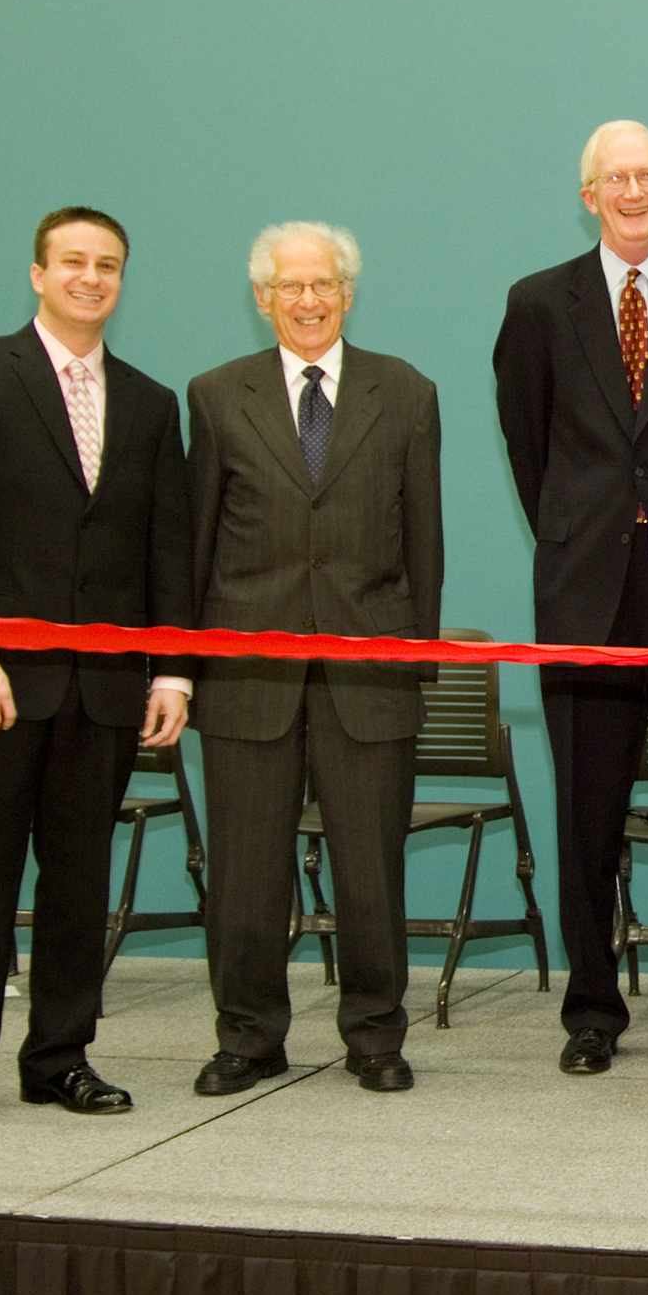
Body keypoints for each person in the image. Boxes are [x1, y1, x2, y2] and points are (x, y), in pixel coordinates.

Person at [0, 207, 194, 1134]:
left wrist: (173, 672)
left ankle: (59, 1058)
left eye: (107, 265)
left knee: (78, 884)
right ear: (37, 273)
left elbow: (168, 549)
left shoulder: (149, 403)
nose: (91, 278)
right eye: (73, 262)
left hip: (104, 693)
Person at [494, 120, 648, 1078]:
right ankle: (591, 1009)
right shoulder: (537, 305)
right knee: (586, 816)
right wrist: (579, 531)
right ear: (589, 195)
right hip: (582, 599)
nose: (632, 191)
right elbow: (530, 443)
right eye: (614, 178)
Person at [188, 222, 443, 1096]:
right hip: (246, 677)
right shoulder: (217, 396)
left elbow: (425, 544)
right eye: (289, 287)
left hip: (369, 678)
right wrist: (182, 667)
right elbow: (193, 543)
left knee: (372, 869)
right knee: (246, 875)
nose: (307, 300)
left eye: (323, 284)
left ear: (347, 292)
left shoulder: (405, 392)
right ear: (263, 299)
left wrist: (416, 666)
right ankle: (248, 1037)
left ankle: (375, 1036)